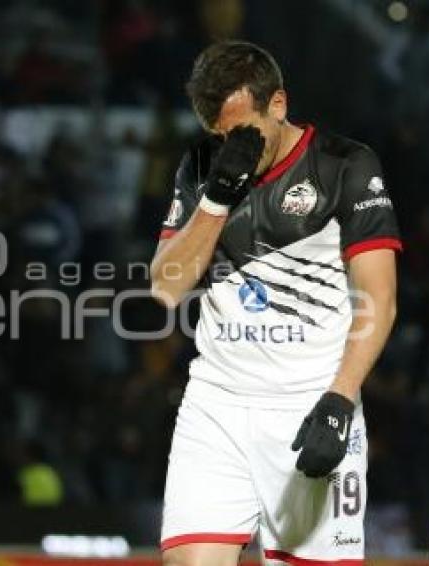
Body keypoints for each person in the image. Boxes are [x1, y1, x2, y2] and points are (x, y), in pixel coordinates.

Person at [150, 41, 401, 566]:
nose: (229, 145)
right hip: (216, 404)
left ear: (278, 105)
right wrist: (218, 195)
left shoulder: (345, 166)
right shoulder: (201, 165)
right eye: (217, 135)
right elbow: (166, 287)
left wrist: (339, 402)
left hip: (310, 403)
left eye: (242, 132)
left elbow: (378, 299)